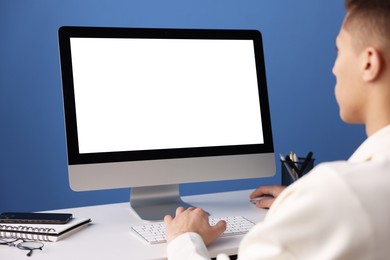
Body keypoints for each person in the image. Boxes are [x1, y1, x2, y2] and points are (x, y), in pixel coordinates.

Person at [164, 0, 390, 259]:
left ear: (369, 63)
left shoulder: (338, 192)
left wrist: (183, 241)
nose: (334, 68)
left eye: (338, 50)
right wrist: (303, 204)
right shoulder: (342, 194)